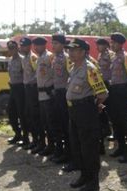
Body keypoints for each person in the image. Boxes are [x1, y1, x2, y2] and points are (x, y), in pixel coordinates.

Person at [65, 38, 108, 191]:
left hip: (85, 110)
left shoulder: (89, 69)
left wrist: (94, 106)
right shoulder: (73, 67)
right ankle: (84, 176)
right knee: (77, 146)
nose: (70, 52)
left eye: (73, 50)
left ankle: (93, 181)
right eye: (69, 50)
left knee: (89, 147)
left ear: (83, 52)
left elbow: (102, 93)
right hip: (74, 111)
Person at [108, 32, 127, 163]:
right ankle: (121, 147)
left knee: (125, 122)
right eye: (111, 42)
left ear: (120, 43)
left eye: (114, 42)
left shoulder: (126, 57)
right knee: (116, 120)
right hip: (114, 91)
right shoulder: (114, 57)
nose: (111, 44)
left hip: (123, 91)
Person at [51, 34, 72, 165]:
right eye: (52, 43)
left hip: (65, 93)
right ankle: (61, 151)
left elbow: (71, 76)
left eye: (56, 43)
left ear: (63, 45)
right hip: (57, 93)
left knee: (66, 125)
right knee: (58, 123)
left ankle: (69, 154)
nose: (53, 46)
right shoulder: (54, 58)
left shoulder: (66, 58)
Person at [32, 36, 55, 156]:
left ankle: (53, 146)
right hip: (40, 95)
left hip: (48, 94)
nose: (35, 47)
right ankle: (47, 145)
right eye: (34, 45)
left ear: (44, 45)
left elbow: (56, 74)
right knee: (45, 123)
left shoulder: (49, 56)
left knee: (51, 123)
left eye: (38, 45)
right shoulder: (39, 58)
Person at [19, 37, 40, 151]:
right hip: (26, 88)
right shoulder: (24, 58)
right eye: (21, 46)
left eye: (24, 46)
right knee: (28, 115)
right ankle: (34, 139)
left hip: (33, 88)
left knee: (34, 115)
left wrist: (31, 83)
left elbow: (38, 74)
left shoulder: (33, 57)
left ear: (29, 46)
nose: (22, 48)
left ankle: (38, 141)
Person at [7, 40, 29, 146]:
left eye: (13, 47)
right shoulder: (10, 60)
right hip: (13, 88)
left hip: (21, 88)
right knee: (11, 111)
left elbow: (26, 74)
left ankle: (25, 138)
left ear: (17, 48)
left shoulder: (22, 60)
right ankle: (17, 133)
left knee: (22, 113)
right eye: (9, 48)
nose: (11, 50)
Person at [96, 38, 114, 155]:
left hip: (109, 83)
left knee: (110, 110)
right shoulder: (100, 55)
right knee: (103, 110)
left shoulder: (110, 55)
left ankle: (112, 131)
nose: (98, 47)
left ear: (105, 45)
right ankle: (107, 130)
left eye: (99, 45)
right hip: (102, 83)